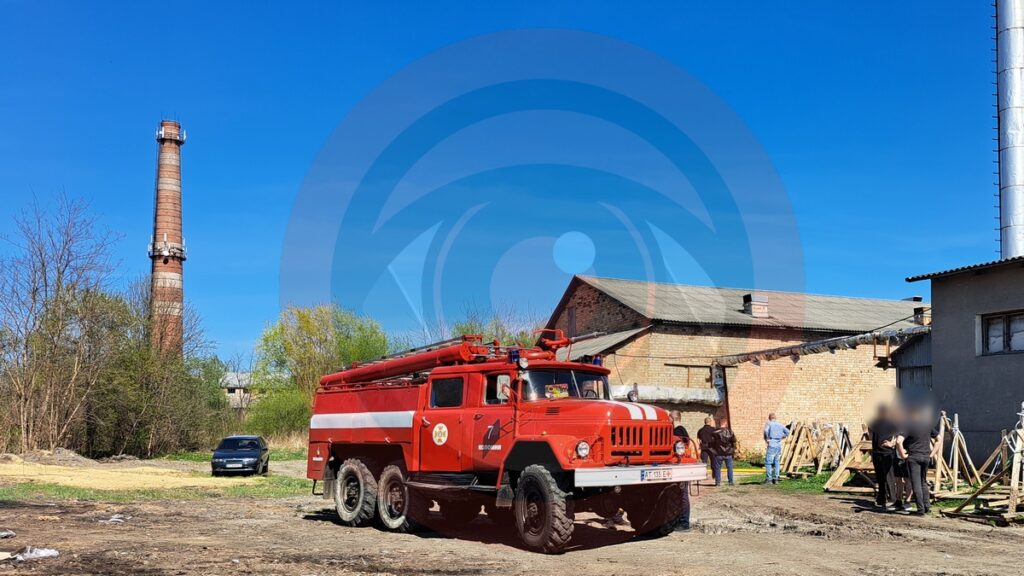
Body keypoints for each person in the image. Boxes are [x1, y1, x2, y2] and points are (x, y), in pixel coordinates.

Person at [896, 407, 940, 515]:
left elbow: (898, 441)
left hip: (914, 457)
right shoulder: (927, 425)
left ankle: (920, 510)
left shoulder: (909, 426)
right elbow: (939, 438)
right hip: (926, 457)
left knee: (916, 484)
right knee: (923, 482)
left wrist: (902, 454)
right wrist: (932, 453)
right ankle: (927, 507)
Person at [867, 404, 898, 510]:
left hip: (887, 453)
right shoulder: (874, 423)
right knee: (880, 477)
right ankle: (881, 499)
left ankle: (892, 499)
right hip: (876, 453)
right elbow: (870, 431)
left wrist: (892, 443)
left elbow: (899, 434)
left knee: (889, 477)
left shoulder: (892, 423)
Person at [673, 424, 693, 530]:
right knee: (680, 494)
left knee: (682, 494)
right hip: (683, 465)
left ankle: (684, 522)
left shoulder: (677, 431)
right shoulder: (684, 431)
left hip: (680, 465)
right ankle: (681, 521)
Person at [763, 413, 789, 484]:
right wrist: (782, 437)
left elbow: (765, 431)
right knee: (777, 462)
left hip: (771, 444)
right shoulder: (780, 425)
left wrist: (767, 438)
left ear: (769, 418)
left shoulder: (769, 424)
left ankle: (769, 479)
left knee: (768, 463)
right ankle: (776, 478)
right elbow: (788, 432)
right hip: (778, 445)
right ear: (775, 418)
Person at [713, 418, 737, 486]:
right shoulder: (730, 432)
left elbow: (712, 443)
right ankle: (730, 482)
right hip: (728, 452)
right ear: (726, 424)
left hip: (719, 453)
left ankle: (718, 482)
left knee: (717, 468)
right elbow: (734, 441)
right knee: (730, 468)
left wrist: (715, 450)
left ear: (720, 423)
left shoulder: (715, 432)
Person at [697, 417, 719, 484]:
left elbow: (698, 440)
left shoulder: (700, 430)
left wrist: (700, 446)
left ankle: (703, 475)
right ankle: (715, 475)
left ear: (705, 422)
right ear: (710, 422)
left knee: (704, 462)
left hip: (704, 447)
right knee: (714, 462)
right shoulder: (713, 430)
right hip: (712, 447)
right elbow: (716, 439)